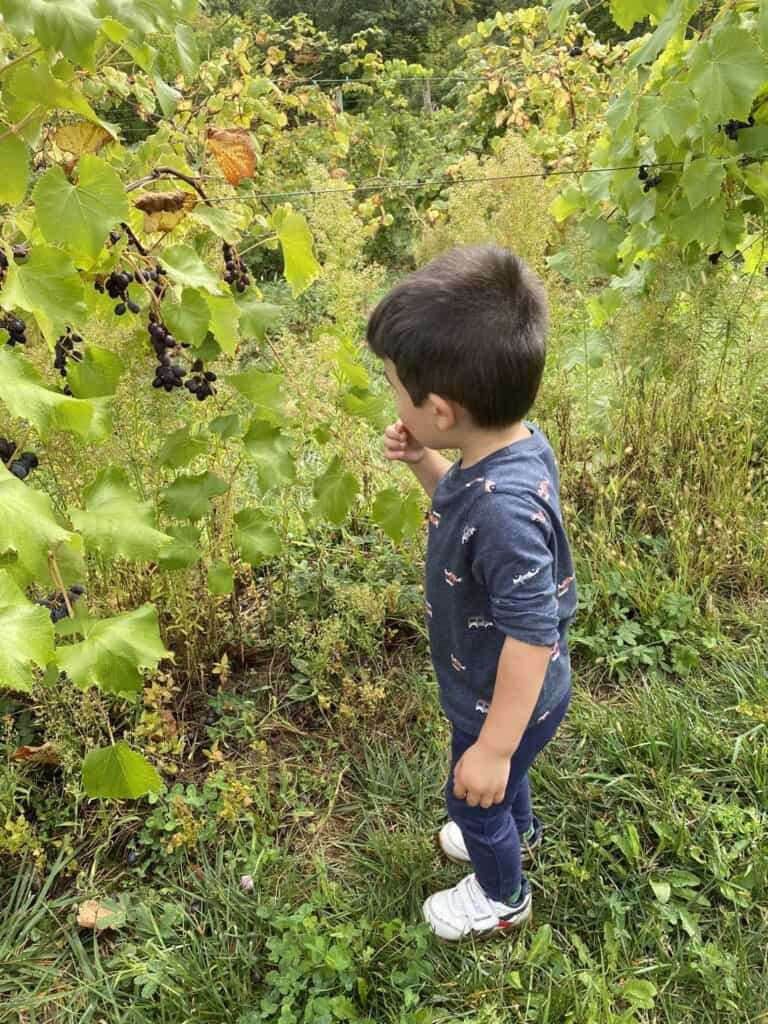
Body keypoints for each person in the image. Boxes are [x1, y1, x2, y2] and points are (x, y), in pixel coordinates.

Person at [366, 243, 577, 942]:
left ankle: (501, 895)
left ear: (442, 409)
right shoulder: (509, 448)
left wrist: (490, 746)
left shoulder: (504, 510)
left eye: (395, 386)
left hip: (501, 694)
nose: (392, 397)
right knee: (500, 784)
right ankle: (519, 828)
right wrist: (427, 462)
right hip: (507, 691)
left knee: (472, 793)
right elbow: (462, 522)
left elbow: (532, 631)